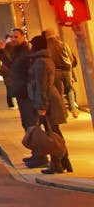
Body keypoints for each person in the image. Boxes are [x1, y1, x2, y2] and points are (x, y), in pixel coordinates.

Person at [28, 33, 71, 174]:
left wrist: (42, 106)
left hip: (48, 101)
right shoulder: (44, 59)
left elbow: (42, 86)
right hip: (49, 99)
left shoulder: (41, 61)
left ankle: (60, 163)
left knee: (52, 134)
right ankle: (62, 163)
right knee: (53, 133)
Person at [43, 28, 80, 119]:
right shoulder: (63, 44)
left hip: (55, 71)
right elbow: (71, 58)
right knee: (69, 89)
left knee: (59, 92)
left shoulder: (45, 46)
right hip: (67, 70)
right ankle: (73, 109)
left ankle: (64, 113)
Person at [5, 28, 35, 130]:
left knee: (30, 123)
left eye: (16, 37)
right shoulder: (17, 51)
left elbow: (29, 73)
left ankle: (36, 143)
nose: (13, 39)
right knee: (27, 122)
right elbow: (12, 66)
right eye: (11, 37)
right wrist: (1, 52)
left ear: (23, 37)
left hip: (26, 92)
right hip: (21, 91)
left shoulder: (26, 52)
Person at [0, 35, 14, 108]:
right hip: (8, 70)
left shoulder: (5, 48)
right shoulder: (10, 48)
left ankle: (10, 102)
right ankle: (10, 102)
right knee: (9, 86)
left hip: (5, 70)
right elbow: (8, 59)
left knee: (8, 87)